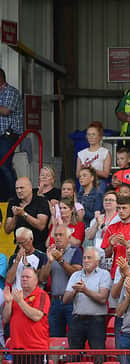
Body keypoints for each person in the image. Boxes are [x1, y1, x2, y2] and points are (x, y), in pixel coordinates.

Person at [2, 267, 49, 364]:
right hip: (18, 347)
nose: (24, 279)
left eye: (27, 277)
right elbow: (6, 318)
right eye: (22, 277)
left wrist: (20, 301)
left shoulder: (42, 295)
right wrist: (9, 302)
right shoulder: (17, 296)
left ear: (35, 280)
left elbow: (36, 316)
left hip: (36, 347)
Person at [63, 248, 111, 364]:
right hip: (77, 319)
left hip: (96, 320)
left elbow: (103, 299)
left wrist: (85, 290)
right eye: (84, 258)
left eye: (89, 258)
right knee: (74, 354)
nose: (85, 260)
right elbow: (65, 300)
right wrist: (75, 291)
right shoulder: (75, 275)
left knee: (98, 353)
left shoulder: (104, 275)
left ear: (97, 261)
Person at [38, 225, 82, 337]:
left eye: (61, 235)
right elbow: (42, 278)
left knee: (74, 337)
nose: (57, 238)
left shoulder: (75, 251)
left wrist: (61, 260)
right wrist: (49, 261)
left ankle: (74, 356)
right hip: (55, 301)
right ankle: (55, 356)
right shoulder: (49, 253)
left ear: (69, 237)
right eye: (56, 235)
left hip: (72, 301)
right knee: (54, 337)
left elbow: (76, 274)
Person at [101, 195, 130, 278]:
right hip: (116, 271)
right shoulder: (111, 227)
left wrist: (125, 243)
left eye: (124, 208)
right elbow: (107, 254)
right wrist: (111, 245)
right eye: (118, 208)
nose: (121, 211)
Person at [4, 177, 50, 252]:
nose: (19, 191)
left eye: (22, 188)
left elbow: (41, 225)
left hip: (38, 247)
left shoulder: (41, 201)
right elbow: (7, 230)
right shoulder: (13, 202)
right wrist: (15, 216)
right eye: (17, 188)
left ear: (30, 188)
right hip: (20, 247)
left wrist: (23, 214)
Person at [0, 67, 24, 201]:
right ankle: (3, 195)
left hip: (8, 135)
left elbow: (5, 111)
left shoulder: (11, 92)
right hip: (0, 136)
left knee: (4, 165)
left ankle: (13, 196)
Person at [76, 121, 111, 193]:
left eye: (93, 134)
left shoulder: (105, 152)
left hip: (99, 182)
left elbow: (106, 174)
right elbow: (77, 174)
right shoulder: (81, 153)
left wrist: (93, 170)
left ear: (100, 136)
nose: (91, 137)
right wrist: (83, 170)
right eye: (88, 134)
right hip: (84, 183)